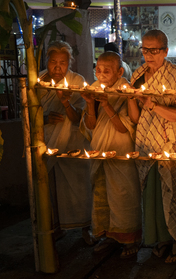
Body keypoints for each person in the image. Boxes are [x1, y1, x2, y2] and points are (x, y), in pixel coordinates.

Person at [128, 30, 176, 264]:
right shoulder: (138, 75)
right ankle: (160, 239)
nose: (149, 55)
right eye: (145, 50)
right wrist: (129, 98)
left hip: (170, 140)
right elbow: (135, 118)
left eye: (155, 50)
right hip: (145, 139)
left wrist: (152, 104)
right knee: (152, 191)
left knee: (174, 190)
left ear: (165, 50)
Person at [80, 52, 142, 258]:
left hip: (121, 150)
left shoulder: (125, 90)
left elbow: (125, 128)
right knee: (102, 193)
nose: (101, 73)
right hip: (100, 150)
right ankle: (109, 236)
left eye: (107, 70)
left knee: (123, 195)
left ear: (119, 72)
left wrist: (106, 104)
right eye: (98, 69)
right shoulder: (94, 89)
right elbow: (90, 126)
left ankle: (129, 238)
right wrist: (90, 103)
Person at [38, 40, 93, 244]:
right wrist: (44, 119)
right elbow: (27, 113)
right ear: (47, 61)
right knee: (51, 188)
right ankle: (56, 227)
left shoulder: (76, 81)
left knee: (79, 186)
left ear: (70, 63)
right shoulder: (39, 82)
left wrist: (65, 103)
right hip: (47, 142)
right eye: (54, 62)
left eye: (63, 62)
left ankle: (85, 228)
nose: (58, 67)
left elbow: (80, 118)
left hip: (72, 142)